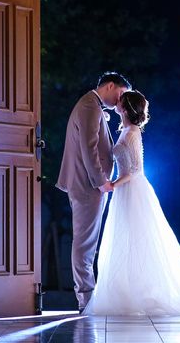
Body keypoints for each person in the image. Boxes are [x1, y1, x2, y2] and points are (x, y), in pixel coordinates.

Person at [84, 90, 180, 316]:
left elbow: (135, 169)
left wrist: (114, 183)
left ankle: (143, 293)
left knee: (137, 238)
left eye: (121, 100)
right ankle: (124, 292)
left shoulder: (132, 133)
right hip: (123, 191)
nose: (117, 101)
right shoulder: (124, 130)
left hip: (132, 190)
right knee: (123, 239)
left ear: (125, 108)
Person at [56, 72, 132, 313]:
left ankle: (87, 298)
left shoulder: (91, 105)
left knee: (86, 242)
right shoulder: (90, 105)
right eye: (121, 93)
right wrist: (101, 182)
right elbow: (89, 149)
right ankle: (86, 301)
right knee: (85, 244)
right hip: (87, 185)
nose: (121, 100)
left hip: (85, 184)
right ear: (110, 86)